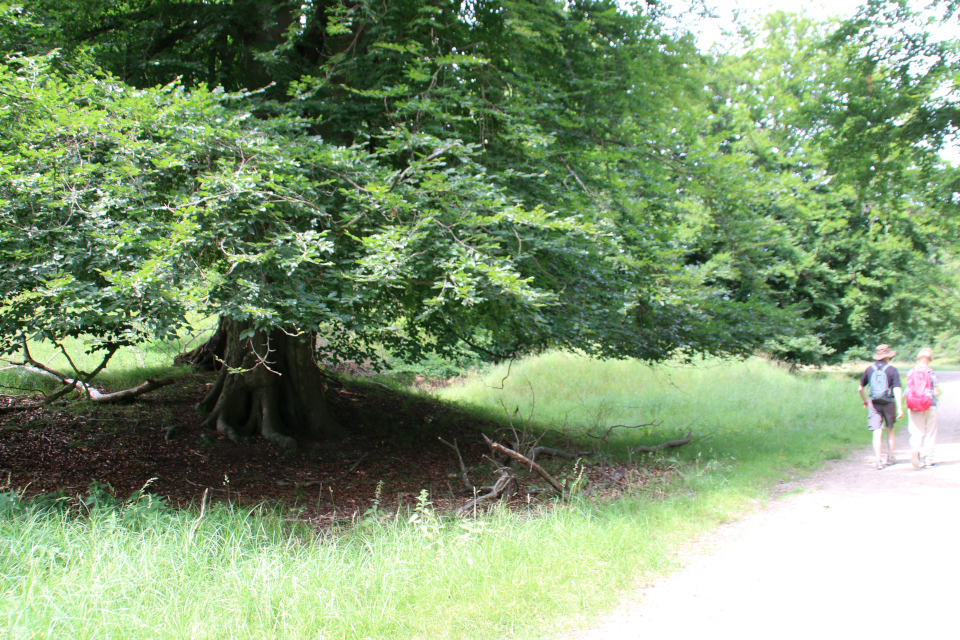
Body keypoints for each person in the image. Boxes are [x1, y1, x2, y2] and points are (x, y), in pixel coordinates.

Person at [858, 344, 903, 470]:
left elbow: (860, 388)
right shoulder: (892, 370)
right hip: (889, 402)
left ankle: (878, 461)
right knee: (890, 429)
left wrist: (865, 400)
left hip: (874, 403)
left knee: (877, 431)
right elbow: (897, 388)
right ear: (888, 356)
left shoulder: (869, 369)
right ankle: (890, 457)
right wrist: (900, 407)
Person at [906, 347, 942, 468]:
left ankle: (916, 450)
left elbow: (908, 388)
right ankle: (928, 459)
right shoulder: (930, 372)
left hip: (914, 404)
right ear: (930, 359)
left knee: (917, 432)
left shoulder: (911, 371)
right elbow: (936, 391)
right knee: (930, 432)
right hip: (929, 404)